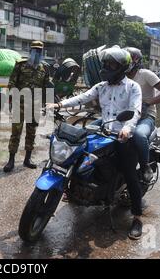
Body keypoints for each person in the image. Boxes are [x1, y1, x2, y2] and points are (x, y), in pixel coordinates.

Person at [47, 46, 145, 240]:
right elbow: (83, 98)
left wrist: (127, 128)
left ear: (122, 67)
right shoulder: (102, 86)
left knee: (130, 174)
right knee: (77, 154)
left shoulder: (133, 87)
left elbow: (136, 110)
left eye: (111, 64)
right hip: (103, 131)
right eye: (105, 64)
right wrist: (59, 104)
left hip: (123, 135)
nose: (106, 67)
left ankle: (137, 217)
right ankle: (75, 188)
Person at [124, 47, 160, 183]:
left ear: (134, 61)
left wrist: (149, 102)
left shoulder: (145, 74)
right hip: (127, 117)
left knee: (139, 136)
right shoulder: (120, 76)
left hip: (146, 117)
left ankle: (145, 166)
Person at [3, 41, 50, 173]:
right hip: (20, 104)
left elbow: (46, 87)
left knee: (31, 133)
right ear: (31, 51)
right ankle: (11, 160)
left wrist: (46, 104)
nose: (37, 53)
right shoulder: (20, 65)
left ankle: (27, 159)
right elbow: (12, 82)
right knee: (15, 133)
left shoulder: (44, 68)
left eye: (39, 51)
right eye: (35, 50)